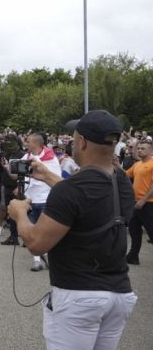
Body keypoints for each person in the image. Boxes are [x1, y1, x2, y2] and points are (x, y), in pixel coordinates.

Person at [9, 110, 137, 350]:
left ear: (82, 142)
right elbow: (85, 197)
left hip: (79, 296)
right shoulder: (121, 182)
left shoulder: (71, 190)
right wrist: (47, 175)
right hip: (119, 294)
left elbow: (37, 243)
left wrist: (20, 214)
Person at [22, 132, 62, 271]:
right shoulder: (26, 157)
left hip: (46, 199)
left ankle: (48, 255)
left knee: (46, 232)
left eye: (28, 141)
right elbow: (18, 174)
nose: (26, 143)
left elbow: (57, 178)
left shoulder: (51, 158)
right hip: (30, 199)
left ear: (37, 144)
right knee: (33, 230)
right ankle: (37, 260)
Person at [124, 137, 153, 265]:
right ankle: (133, 256)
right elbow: (125, 174)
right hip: (136, 203)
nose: (140, 151)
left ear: (151, 150)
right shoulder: (137, 164)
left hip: (148, 203)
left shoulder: (152, 164)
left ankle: (133, 255)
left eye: (143, 149)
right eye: (139, 148)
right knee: (134, 230)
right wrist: (114, 165)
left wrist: (144, 199)